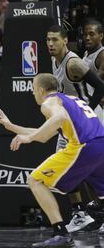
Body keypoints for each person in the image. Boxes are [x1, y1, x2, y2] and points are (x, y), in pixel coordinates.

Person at [0, 73, 104, 247]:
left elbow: (57, 119)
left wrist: (28, 139)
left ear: (40, 89)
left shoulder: (49, 103)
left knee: (35, 180)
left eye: (33, 89)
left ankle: (60, 232)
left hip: (84, 145)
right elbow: (46, 133)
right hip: (101, 144)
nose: (32, 93)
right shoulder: (69, 99)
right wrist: (12, 127)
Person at [47, 25, 104, 232]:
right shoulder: (56, 61)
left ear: (65, 41)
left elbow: (100, 86)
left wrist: (85, 111)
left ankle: (87, 212)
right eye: (48, 40)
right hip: (70, 123)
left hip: (86, 123)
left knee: (76, 168)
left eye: (55, 40)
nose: (51, 44)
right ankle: (80, 213)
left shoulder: (73, 63)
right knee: (66, 168)